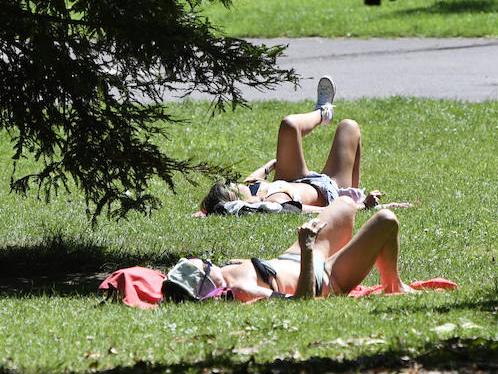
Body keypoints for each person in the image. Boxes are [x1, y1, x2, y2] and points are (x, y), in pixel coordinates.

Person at [162, 196, 416, 300]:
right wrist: (307, 248)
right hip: (323, 277)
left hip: (292, 257)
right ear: (208, 286)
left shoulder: (224, 274)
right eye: (206, 266)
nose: (209, 262)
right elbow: (300, 301)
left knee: (346, 203)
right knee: (386, 220)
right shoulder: (241, 290)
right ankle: (394, 285)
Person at [200, 76, 381, 215]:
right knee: (349, 127)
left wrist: (269, 166)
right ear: (236, 200)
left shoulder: (254, 190)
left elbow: (251, 180)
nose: (234, 182)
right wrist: (362, 206)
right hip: (328, 188)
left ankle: (323, 112)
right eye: (231, 185)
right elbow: (318, 211)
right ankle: (353, 193)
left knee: (289, 125)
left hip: (291, 179)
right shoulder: (274, 204)